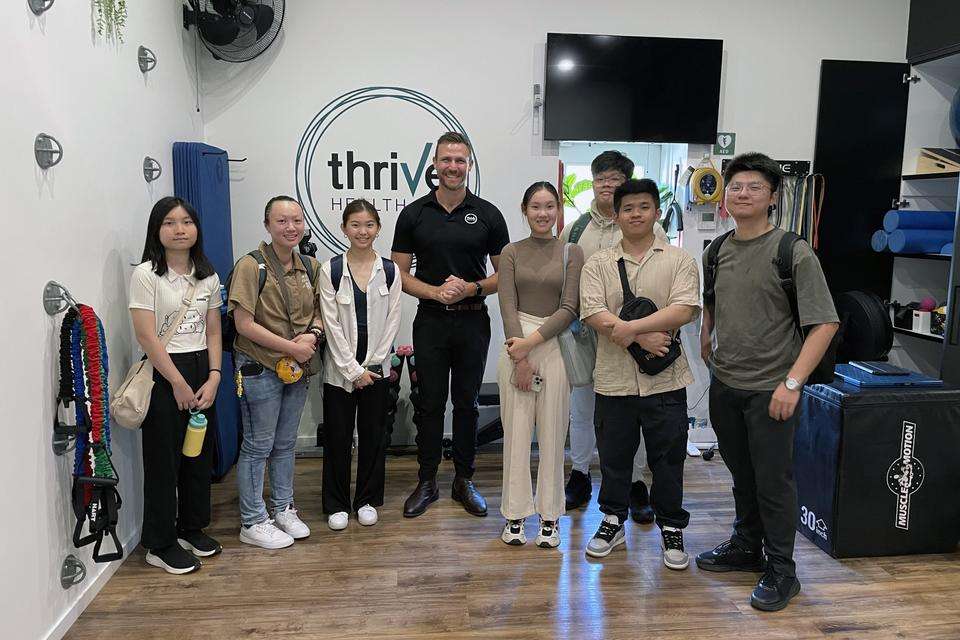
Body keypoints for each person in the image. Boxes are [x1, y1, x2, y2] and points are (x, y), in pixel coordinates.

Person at [696, 153, 839, 611]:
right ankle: (746, 547)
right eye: (735, 185)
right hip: (726, 385)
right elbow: (713, 302)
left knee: (773, 483)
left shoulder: (792, 250)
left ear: (773, 196)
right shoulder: (715, 251)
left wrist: (792, 384)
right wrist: (706, 335)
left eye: (754, 187)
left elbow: (825, 325)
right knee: (742, 475)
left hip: (772, 390)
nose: (743, 193)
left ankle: (782, 570)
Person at [579, 178, 700, 569]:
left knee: (668, 459)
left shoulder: (678, 260)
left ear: (657, 212)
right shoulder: (598, 263)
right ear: (615, 215)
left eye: (644, 207)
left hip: (666, 380)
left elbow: (685, 308)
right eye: (627, 208)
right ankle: (612, 520)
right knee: (614, 457)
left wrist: (632, 329)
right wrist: (641, 338)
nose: (636, 214)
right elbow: (593, 312)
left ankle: (671, 528)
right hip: (613, 380)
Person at [391, 131, 511, 518]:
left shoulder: (489, 214)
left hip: (473, 322)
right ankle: (427, 482)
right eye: (446, 160)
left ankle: (463, 480)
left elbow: (504, 274)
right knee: (430, 404)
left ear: (469, 164)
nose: (453, 167)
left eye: (460, 160)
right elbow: (397, 274)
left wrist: (470, 288)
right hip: (431, 322)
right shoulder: (414, 214)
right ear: (435, 164)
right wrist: (434, 292)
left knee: (467, 404)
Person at [560, 150, 664, 524]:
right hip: (585, 334)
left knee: (629, 412)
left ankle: (636, 484)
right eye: (600, 178)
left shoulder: (643, 226)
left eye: (614, 179)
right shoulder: (575, 228)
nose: (606, 185)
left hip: (632, 337)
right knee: (583, 408)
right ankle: (580, 475)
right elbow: (563, 277)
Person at [129, 196, 223, 574]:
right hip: (166, 372)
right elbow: (147, 337)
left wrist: (214, 376)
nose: (179, 229)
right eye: (170, 222)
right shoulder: (146, 275)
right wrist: (179, 383)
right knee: (164, 461)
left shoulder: (208, 275)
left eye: (186, 222)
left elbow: (214, 329)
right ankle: (160, 542)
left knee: (197, 457)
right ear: (157, 229)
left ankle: (191, 528)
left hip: (204, 367)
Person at [229, 195, 324, 549]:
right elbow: (243, 324)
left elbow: (319, 312)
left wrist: (311, 335)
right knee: (258, 445)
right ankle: (252, 520)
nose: (291, 228)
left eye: (296, 221)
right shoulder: (252, 266)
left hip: (296, 369)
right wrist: (291, 347)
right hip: (260, 367)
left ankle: (283, 507)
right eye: (282, 221)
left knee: (285, 444)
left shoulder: (311, 267)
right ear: (267, 224)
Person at [496, 182, 584, 547]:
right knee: (516, 434)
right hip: (516, 345)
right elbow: (506, 304)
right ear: (525, 209)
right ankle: (515, 514)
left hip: (554, 345)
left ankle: (550, 516)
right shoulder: (510, 252)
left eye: (550, 206)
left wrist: (531, 345)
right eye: (536, 206)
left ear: (558, 211)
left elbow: (570, 308)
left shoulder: (572, 252)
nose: (543, 213)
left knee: (552, 433)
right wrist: (520, 355)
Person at [317, 199, 402, 531]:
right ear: (344, 228)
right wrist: (353, 370)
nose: (362, 231)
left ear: (378, 228)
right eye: (355, 225)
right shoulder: (331, 270)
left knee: (373, 436)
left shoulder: (391, 270)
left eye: (369, 225)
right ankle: (336, 503)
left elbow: (393, 319)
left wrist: (374, 365)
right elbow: (331, 324)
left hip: (376, 371)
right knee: (337, 438)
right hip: (340, 373)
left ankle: (366, 499)